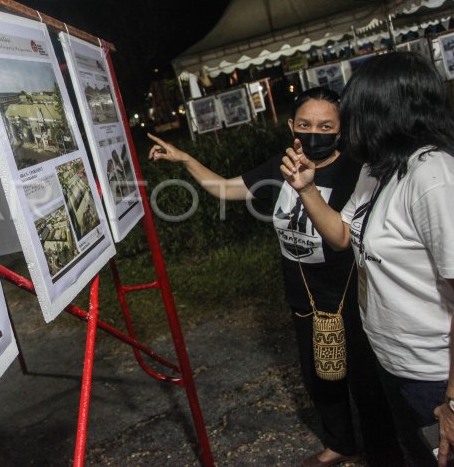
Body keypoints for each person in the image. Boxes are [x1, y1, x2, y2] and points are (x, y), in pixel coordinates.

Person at [148, 87, 401, 467]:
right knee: (319, 378)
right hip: (303, 296)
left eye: (325, 125)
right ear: (291, 126)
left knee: (365, 382)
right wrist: (186, 159)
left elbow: (348, 237)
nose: (314, 132)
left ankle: (386, 453)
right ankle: (341, 444)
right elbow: (225, 188)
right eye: (305, 124)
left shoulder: (357, 171)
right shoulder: (281, 167)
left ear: (341, 129)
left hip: (351, 296)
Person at [281, 52, 454, 467]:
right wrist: (305, 189)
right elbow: (342, 234)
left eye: (355, 112)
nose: (349, 125)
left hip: (434, 375)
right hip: (393, 361)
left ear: (387, 110)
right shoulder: (377, 169)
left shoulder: (434, 177)